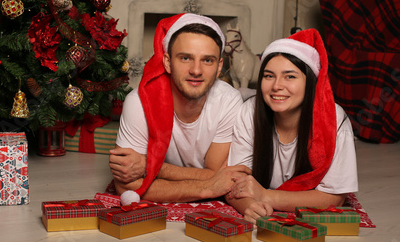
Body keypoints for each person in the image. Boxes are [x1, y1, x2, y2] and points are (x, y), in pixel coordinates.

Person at [109, 13, 250, 205]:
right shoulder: (140, 102)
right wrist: (207, 187)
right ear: (167, 62)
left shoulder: (229, 101)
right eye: (185, 58)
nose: (196, 70)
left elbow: (217, 175)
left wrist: (148, 167)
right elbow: (126, 186)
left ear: (219, 67)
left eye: (207, 60)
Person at [227, 29, 358, 223]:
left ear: (310, 82)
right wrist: (250, 207)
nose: (277, 86)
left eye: (290, 76)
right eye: (269, 76)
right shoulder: (248, 111)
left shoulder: (334, 119)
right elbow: (235, 181)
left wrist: (266, 196)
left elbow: (333, 199)